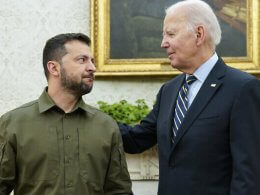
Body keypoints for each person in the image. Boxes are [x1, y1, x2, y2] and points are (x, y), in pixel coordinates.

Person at [119, 0, 260, 195]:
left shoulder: (242, 88)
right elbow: (136, 140)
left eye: (170, 34)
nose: (163, 43)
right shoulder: (169, 90)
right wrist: (85, 114)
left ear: (199, 34)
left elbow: (249, 175)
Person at [0, 33, 133, 195]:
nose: (92, 67)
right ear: (54, 68)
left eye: (92, 61)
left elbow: (119, 191)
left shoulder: (106, 126)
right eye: (82, 60)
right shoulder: (13, 124)